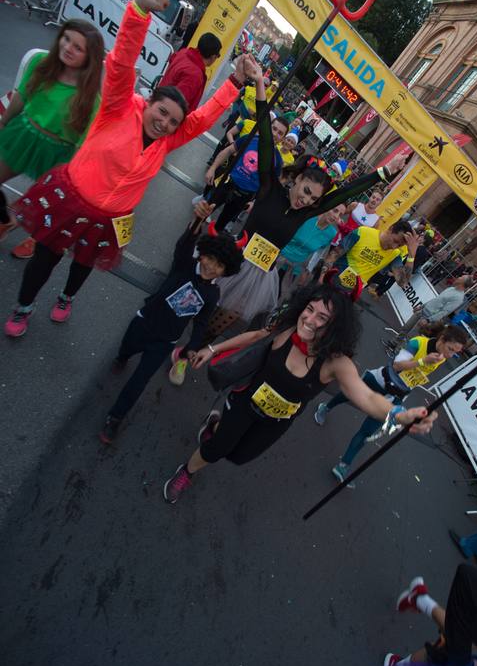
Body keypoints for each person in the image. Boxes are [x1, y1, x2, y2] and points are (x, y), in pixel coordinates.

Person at [4, 0, 248, 339]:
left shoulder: (167, 140)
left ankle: (67, 297)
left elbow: (201, 119)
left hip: (110, 216)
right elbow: (122, 63)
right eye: (160, 112)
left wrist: (234, 83)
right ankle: (23, 307)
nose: (164, 122)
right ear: (149, 103)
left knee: (83, 264)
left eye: (172, 121)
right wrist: (139, 11)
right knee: (47, 255)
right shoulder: (118, 107)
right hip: (72, 196)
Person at [162, 283, 437, 503]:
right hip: (245, 402)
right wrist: (213, 350)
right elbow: (257, 336)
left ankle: (215, 427)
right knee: (216, 450)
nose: (309, 319)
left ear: (334, 327)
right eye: (309, 309)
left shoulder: (336, 362)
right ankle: (187, 471)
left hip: (277, 422)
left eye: (322, 317)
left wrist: (400, 415)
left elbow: (366, 396)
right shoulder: (288, 328)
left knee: (237, 456)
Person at [199, 63, 407, 342]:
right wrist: (260, 82)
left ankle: (193, 351)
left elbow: (346, 193)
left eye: (313, 198)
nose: (305, 199)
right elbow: (264, 134)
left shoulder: (305, 213)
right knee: (202, 304)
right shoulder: (269, 188)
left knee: (219, 324)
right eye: (305, 190)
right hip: (233, 257)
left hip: (261, 276)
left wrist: (384, 171)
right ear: (296, 180)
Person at [100, 204, 243, 441]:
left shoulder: (213, 294)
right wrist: (197, 222)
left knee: (140, 380)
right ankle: (122, 357)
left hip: (165, 341)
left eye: (219, 266)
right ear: (203, 253)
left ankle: (115, 417)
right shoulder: (184, 265)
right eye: (210, 258)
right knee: (126, 348)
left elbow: (201, 322)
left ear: (226, 271)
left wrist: (192, 347)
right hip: (144, 322)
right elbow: (184, 246)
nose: (211, 267)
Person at [0, 20, 104, 259]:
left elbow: (83, 146)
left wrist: (71, 180)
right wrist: (4, 122)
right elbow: (21, 96)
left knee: (42, 205)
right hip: (22, 134)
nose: (68, 48)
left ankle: (33, 239)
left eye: (78, 47)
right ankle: (6, 220)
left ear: (90, 58)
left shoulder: (90, 99)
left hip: (57, 154)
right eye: (66, 39)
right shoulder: (41, 63)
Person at [315, 323, 467, 483]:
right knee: (348, 395)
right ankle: (326, 407)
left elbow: (416, 377)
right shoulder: (418, 343)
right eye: (451, 349)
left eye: (455, 353)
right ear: (442, 339)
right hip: (380, 380)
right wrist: (422, 361)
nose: (450, 356)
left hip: (397, 395)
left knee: (367, 431)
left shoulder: (441, 358)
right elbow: (397, 365)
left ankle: (343, 465)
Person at [203, 114, 288, 231]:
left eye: (280, 133)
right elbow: (228, 150)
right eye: (274, 128)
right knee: (202, 214)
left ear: (282, 139)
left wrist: (255, 203)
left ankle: (204, 248)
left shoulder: (277, 160)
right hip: (227, 184)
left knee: (220, 226)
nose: (275, 134)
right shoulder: (251, 138)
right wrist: (212, 168)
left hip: (244, 197)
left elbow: (270, 187)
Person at [322, 221, 420, 294]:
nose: (394, 246)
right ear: (390, 229)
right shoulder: (363, 232)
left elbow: (402, 282)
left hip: (350, 293)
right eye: (395, 241)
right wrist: (322, 276)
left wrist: (412, 255)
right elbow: (335, 253)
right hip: (330, 281)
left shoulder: (395, 254)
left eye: (399, 245)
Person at [277, 204, 346, 299]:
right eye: (335, 210)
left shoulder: (331, 233)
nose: (336, 216)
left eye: (340, 215)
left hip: (295, 268)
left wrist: (308, 270)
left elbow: (318, 254)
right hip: (278, 258)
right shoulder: (309, 216)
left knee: (279, 295)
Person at [158, 32, 222, 110]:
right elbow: (176, 104)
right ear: (213, 57)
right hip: (164, 113)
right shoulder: (195, 75)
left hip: (158, 100)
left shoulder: (184, 53)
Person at [397, 274, 474, 336]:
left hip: (427, 318)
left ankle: (400, 350)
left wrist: (428, 320)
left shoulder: (458, 298)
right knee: (405, 328)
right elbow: (436, 299)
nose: (459, 277)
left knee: (412, 336)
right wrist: (421, 306)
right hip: (422, 311)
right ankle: (394, 344)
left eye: (461, 277)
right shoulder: (451, 289)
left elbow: (444, 312)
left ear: (463, 283)